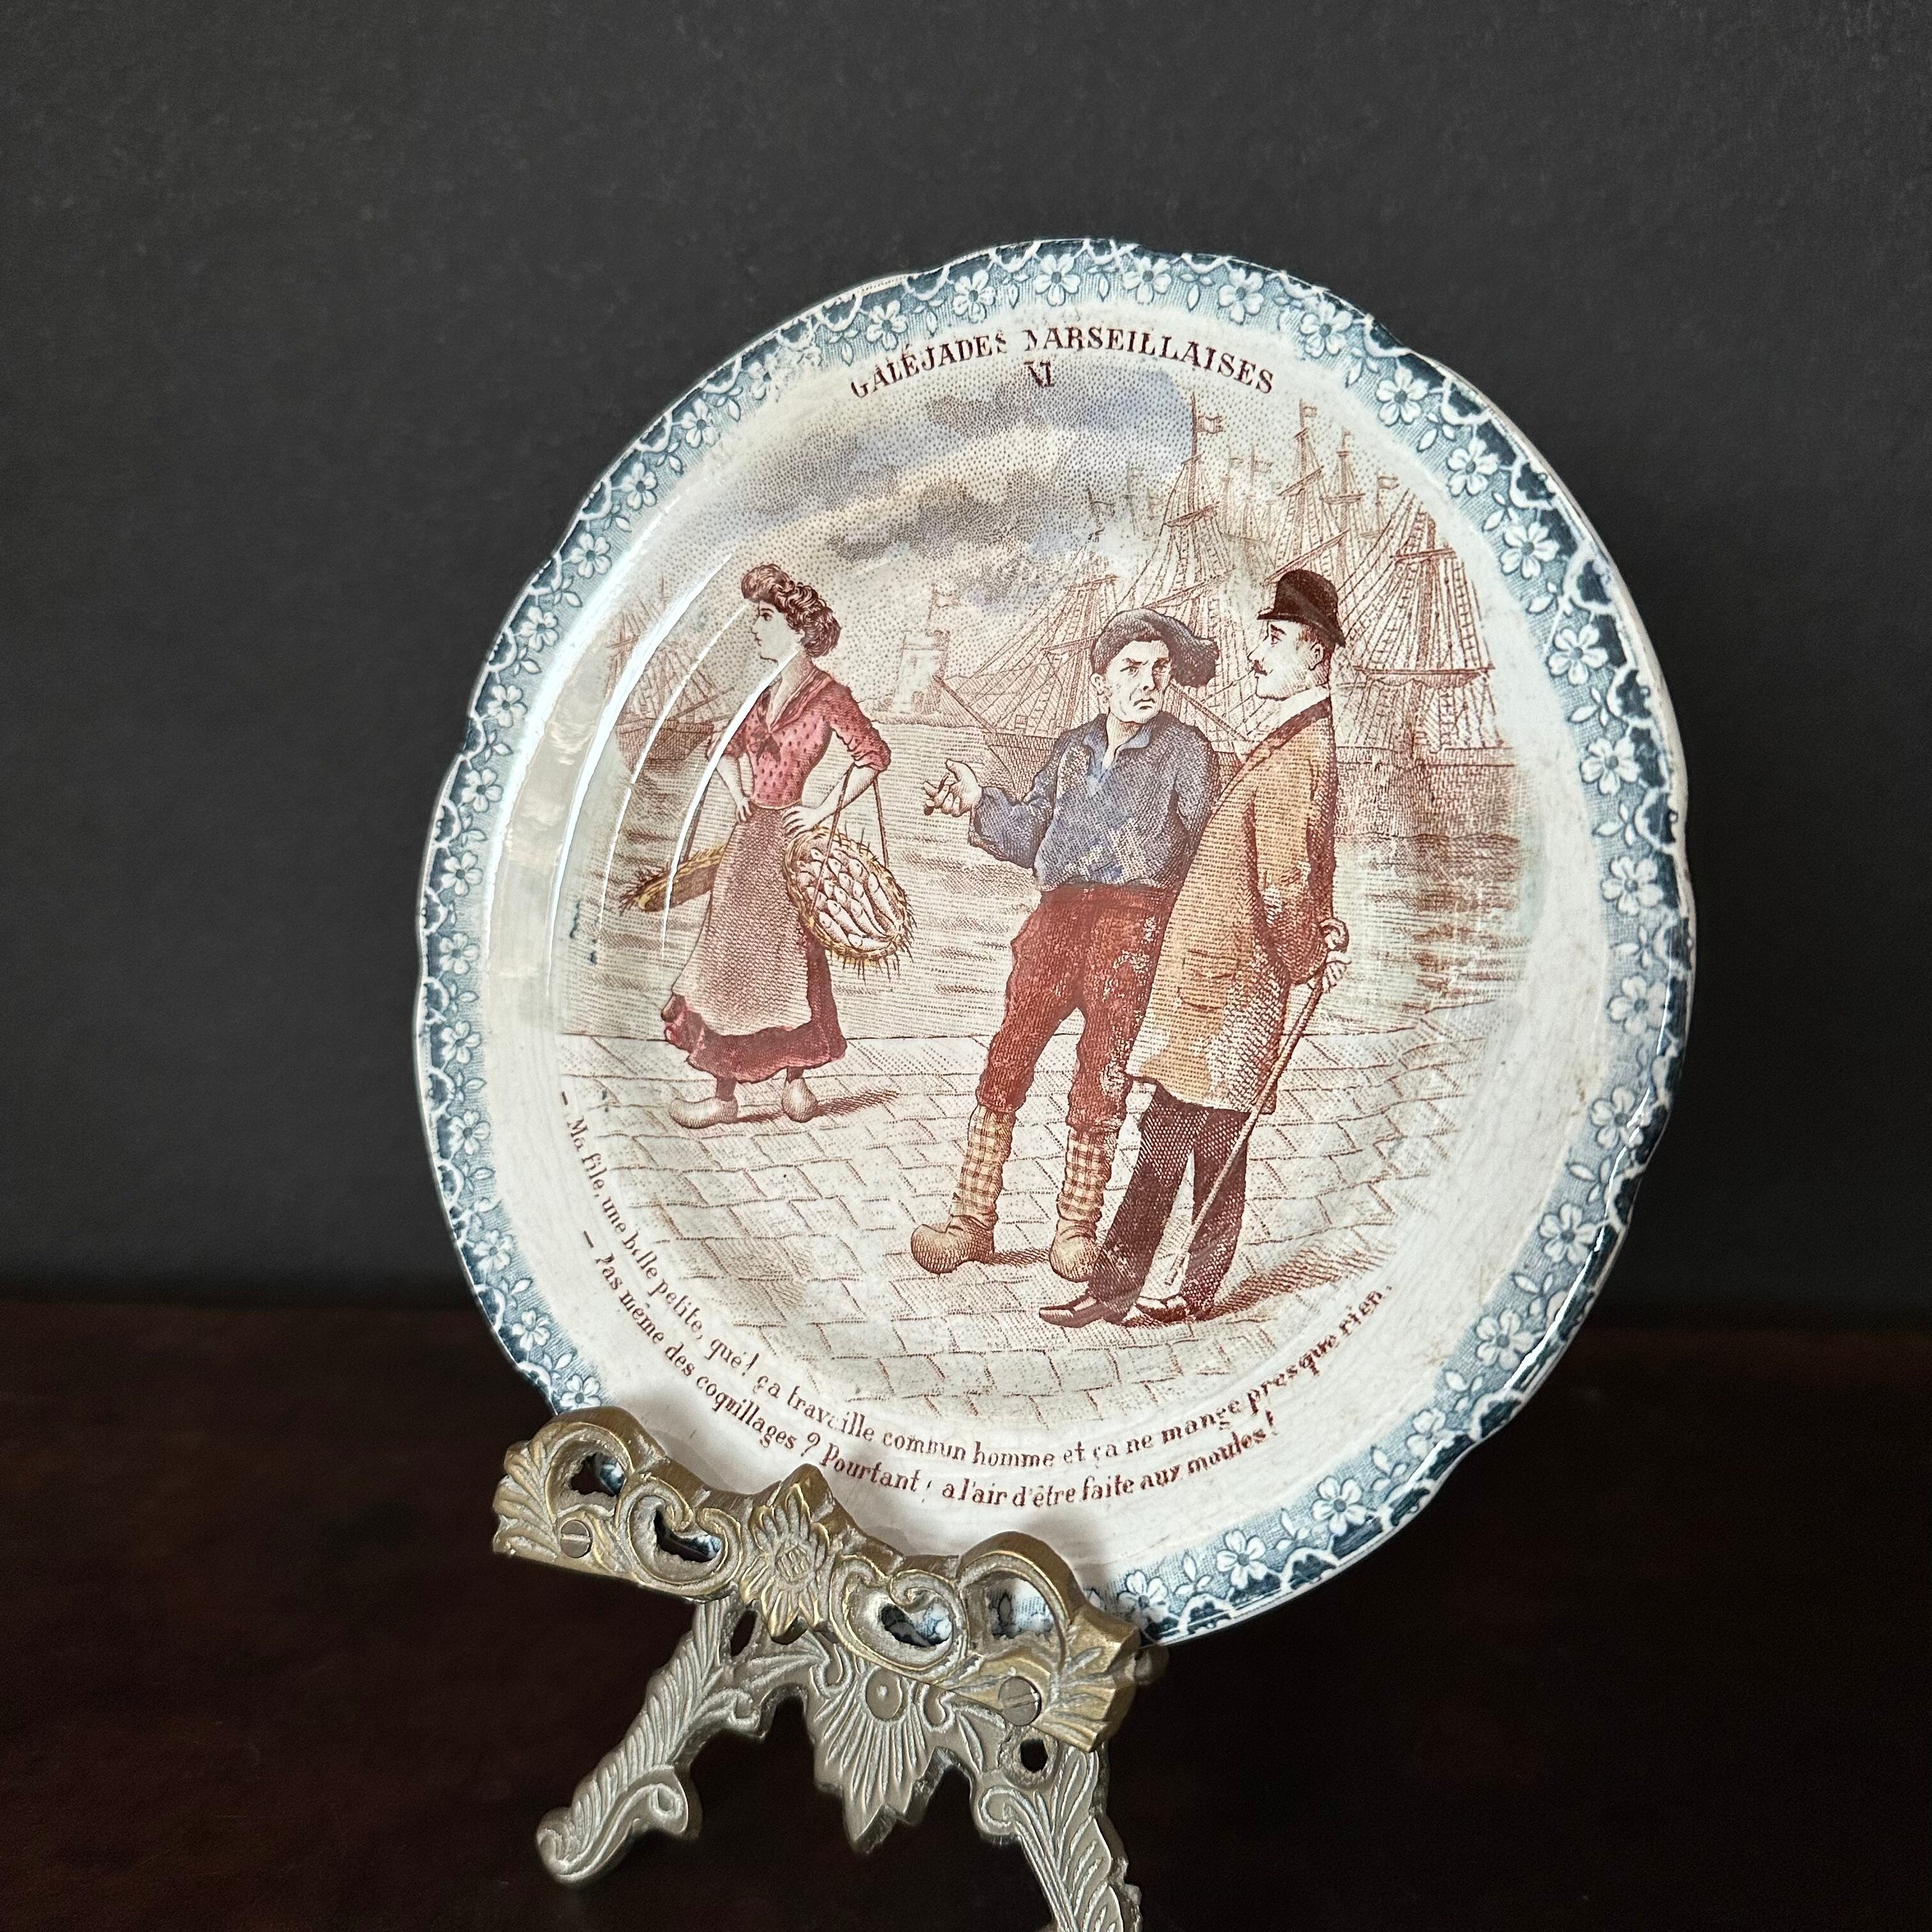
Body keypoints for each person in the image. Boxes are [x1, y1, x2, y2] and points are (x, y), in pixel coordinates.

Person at [1050, 568, 1350, 1328]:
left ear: (1315, 655)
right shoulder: (1289, 742)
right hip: (1217, 988)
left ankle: (1163, 1290)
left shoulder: (1303, 753)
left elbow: (1285, 883)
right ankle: (1144, 1289)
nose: (1256, 654)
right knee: (1189, 1135)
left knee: (1205, 1137)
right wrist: (1319, 934)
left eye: (1274, 640)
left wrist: (1309, 955)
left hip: (1232, 992)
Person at [914, 609, 1220, 1285]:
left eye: (1160, 670)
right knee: (1009, 1053)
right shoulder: (1073, 747)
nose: (1148, 683)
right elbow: (1030, 834)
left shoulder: (1188, 752)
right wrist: (977, 801)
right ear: (1102, 677)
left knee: (1103, 1072)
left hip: (1133, 931)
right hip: (1056, 922)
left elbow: (1212, 854)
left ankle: (1077, 1228)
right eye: (1132, 669)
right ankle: (971, 1220)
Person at [661, 564, 891, 1130]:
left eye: (765, 617)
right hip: (748, 844)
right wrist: (738, 791)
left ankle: (796, 1081)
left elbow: (873, 756)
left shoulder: (829, 696)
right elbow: (722, 748)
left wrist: (820, 811)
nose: (755, 628)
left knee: (792, 960)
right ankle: (724, 1095)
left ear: (796, 627)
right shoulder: (760, 696)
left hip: (790, 843)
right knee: (729, 960)